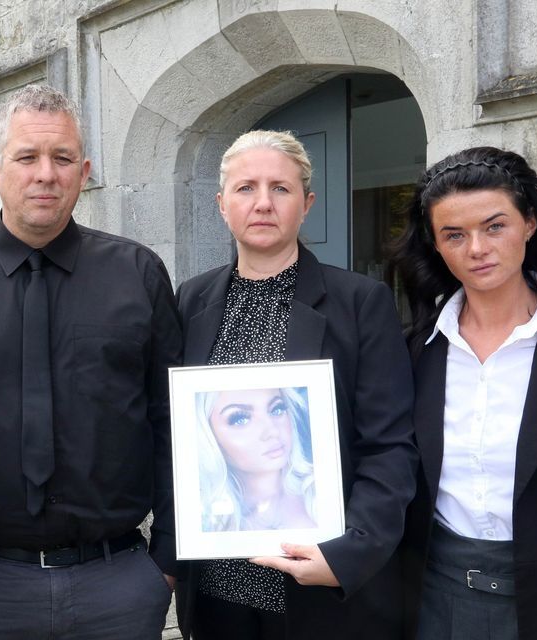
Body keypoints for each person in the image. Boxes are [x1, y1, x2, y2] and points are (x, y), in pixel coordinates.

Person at [0, 84, 182, 639]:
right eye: (27, 157)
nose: (45, 173)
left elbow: (171, 421)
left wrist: (164, 562)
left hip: (118, 582)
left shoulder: (138, 275)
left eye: (62, 157)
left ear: (84, 170)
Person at [175, 130, 417, 639]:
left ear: (306, 204)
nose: (263, 203)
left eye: (281, 189)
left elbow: (390, 445)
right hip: (220, 593)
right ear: (221, 205)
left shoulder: (360, 302)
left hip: (322, 592)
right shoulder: (190, 301)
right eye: (246, 188)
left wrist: (349, 554)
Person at [388, 146, 537, 640]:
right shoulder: (414, 351)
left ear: (529, 224)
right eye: (454, 235)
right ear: (436, 245)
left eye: (494, 226)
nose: (477, 248)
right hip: (432, 598)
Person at [196, 387, 315, 532]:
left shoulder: (321, 491)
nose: (272, 431)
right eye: (240, 419)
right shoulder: (208, 526)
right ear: (209, 437)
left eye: (277, 409)